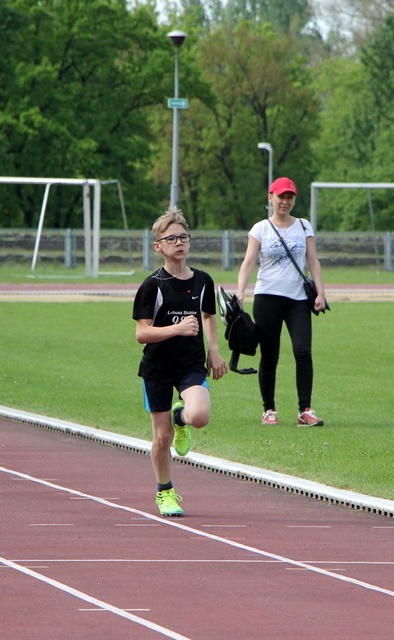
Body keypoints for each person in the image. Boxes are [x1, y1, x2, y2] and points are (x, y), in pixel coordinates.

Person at [133, 207, 228, 517]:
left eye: (183, 237)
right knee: (162, 438)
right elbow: (141, 333)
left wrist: (214, 350)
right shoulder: (152, 285)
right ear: (158, 246)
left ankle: (181, 417)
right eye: (171, 238)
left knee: (199, 415)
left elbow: (209, 316)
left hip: (190, 364)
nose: (179, 242)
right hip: (157, 368)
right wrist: (177, 329)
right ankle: (165, 492)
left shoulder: (203, 281)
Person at [235, 177, 326, 427]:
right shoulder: (260, 228)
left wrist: (320, 292)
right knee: (270, 355)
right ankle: (269, 409)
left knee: (303, 352)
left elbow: (313, 261)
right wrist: (241, 292)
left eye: (289, 197)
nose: (285, 201)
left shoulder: (304, 226)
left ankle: (305, 410)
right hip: (267, 298)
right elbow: (248, 262)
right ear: (270, 198)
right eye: (281, 196)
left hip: (297, 299)